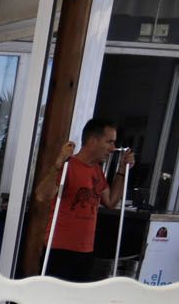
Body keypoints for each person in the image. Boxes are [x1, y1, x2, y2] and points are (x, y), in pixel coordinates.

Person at [34, 116, 126, 281]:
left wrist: (122, 171)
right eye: (109, 142)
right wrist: (58, 165)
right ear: (93, 141)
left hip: (85, 250)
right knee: (55, 297)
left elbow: (111, 201)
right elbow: (42, 195)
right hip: (60, 249)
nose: (113, 148)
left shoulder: (97, 170)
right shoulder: (68, 165)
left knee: (79, 297)